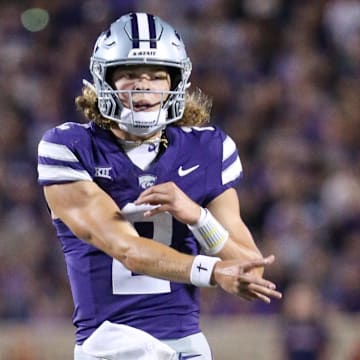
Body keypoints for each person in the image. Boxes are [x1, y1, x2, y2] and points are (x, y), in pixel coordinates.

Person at [37, 12, 282, 360]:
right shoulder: (69, 146)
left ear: (176, 83)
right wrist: (211, 271)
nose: (144, 87)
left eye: (156, 76)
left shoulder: (208, 148)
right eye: (130, 76)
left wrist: (199, 217)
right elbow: (129, 250)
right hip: (111, 345)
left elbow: (251, 270)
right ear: (103, 80)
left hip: (189, 346)